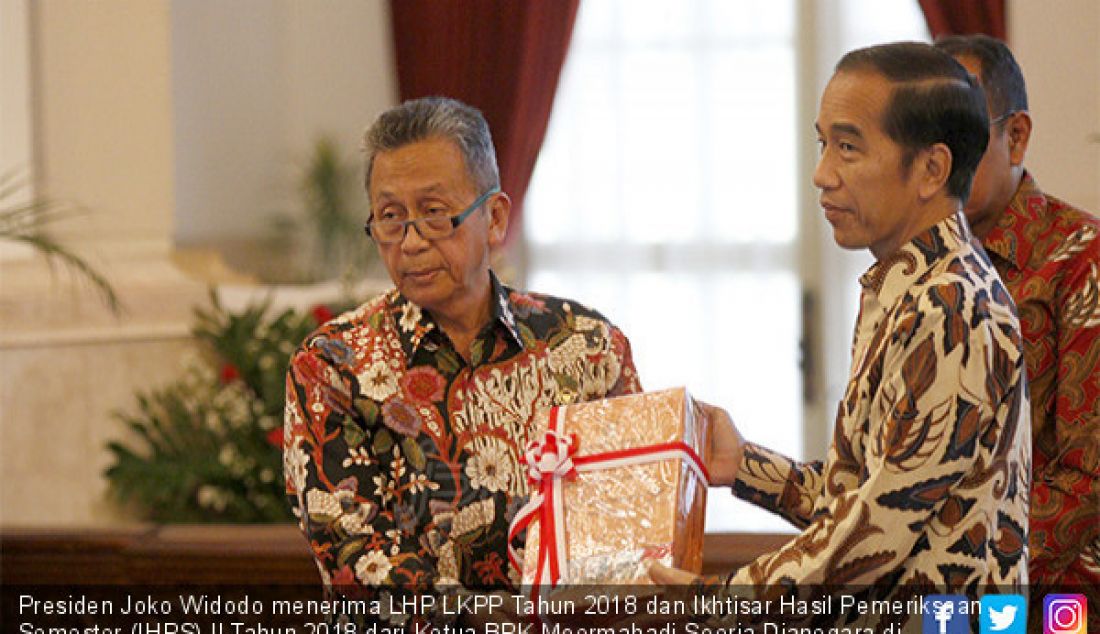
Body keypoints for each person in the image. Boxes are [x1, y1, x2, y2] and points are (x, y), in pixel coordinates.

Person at [651, 42, 1031, 630]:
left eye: (848, 148)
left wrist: (725, 602)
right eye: (823, 142)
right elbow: (862, 495)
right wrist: (744, 465)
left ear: (931, 168)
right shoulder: (906, 286)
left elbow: (879, 530)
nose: (822, 173)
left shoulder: (951, 307)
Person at [283, 97, 641, 629]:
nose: (411, 241)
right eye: (389, 217)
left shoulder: (585, 346)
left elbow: (635, 513)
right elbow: (357, 563)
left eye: (433, 213)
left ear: (494, 217)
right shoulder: (334, 366)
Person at [934, 33, 1100, 630]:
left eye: (961, 135)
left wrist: (962, 570)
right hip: (946, 600)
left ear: (1017, 136)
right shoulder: (917, 269)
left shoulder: (1081, 258)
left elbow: (1090, 480)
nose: (939, 159)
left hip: (1059, 601)